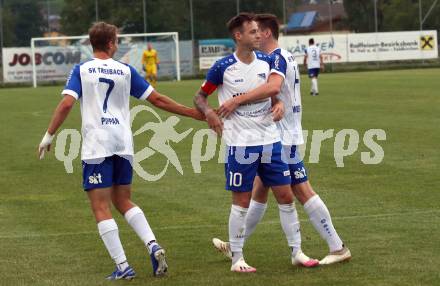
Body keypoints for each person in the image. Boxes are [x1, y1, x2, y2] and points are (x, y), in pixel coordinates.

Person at [38, 22, 204, 280]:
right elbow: (157, 99)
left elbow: (66, 104)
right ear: (111, 43)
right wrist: (194, 114)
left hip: (97, 144)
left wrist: (49, 135)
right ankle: (153, 245)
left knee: (101, 207)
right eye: (117, 40)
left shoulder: (82, 70)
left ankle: (123, 266)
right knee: (123, 200)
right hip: (123, 143)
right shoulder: (125, 70)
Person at [212, 14, 351, 266]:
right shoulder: (285, 56)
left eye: (257, 31)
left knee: (300, 191)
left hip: (282, 136)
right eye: (250, 30)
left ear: (266, 33)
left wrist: (236, 100)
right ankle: (234, 246)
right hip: (279, 134)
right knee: (260, 190)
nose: (254, 34)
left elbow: (271, 89)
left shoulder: (275, 58)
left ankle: (337, 246)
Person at [194, 13, 306, 273]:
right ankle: (237, 259)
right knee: (241, 201)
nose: (259, 35)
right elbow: (200, 97)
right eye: (253, 32)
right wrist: (210, 112)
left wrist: (278, 104)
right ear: (239, 36)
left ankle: (297, 251)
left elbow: (274, 94)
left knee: (286, 196)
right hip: (240, 144)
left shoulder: (267, 62)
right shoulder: (222, 67)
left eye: (259, 31)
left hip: (270, 140)